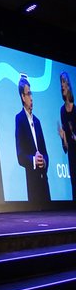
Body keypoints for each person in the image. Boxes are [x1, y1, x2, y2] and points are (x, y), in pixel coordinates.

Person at [15, 76, 51, 204]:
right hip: (32, 181)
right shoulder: (19, 119)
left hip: (44, 181)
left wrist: (44, 161)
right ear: (23, 97)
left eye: (31, 94)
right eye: (28, 94)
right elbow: (20, 155)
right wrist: (34, 160)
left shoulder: (37, 121)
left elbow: (45, 152)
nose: (31, 98)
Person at [57, 71, 76, 201]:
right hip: (72, 155)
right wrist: (62, 136)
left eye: (64, 82)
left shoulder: (75, 110)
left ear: (68, 85)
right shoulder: (62, 110)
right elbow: (66, 148)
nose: (62, 85)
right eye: (61, 82)